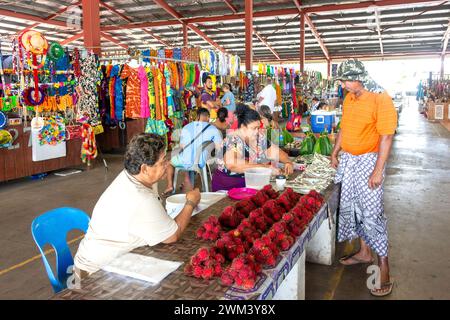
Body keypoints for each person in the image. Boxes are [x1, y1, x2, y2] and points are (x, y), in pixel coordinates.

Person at [74, 133, 201, 279]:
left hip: (108, 261)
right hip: (94, 275)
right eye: (163, 162)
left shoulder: (133, 177)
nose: (167, 165)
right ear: (145, 169)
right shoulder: (140, 197)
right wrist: (190, 202)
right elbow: (172, 236)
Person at [331, 58, 398, 297]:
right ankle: (364, 252)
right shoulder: (350, 97)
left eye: (346, 80)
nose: (344, 85)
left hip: (370, 161)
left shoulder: (380, 97)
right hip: (350, 159)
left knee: (372, 211)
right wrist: (336, 150)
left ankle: (383, 264)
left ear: (359, 77)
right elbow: (344, 127)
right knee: (354, 207)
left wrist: (378, 170)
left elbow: (387, 137)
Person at [211, 103, 294, 191]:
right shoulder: (233, 140)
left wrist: (288, 162)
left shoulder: (259, 138)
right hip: (228, 186)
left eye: (258, 128)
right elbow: (232, 164)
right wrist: (265, 168)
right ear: (243, 127)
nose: (257, 131)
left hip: (250, 182)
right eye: (254, 128)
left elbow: (278, 153)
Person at [165, 107, 222, 194]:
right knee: (199, 159)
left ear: (197, 116)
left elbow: (182, 146)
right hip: (202, 162)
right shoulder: (213, 129)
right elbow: (219, 148)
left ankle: (170, 186)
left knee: (170, 163)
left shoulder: (186, 127)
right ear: (207, 117)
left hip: (185, 161)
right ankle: (191, 181)